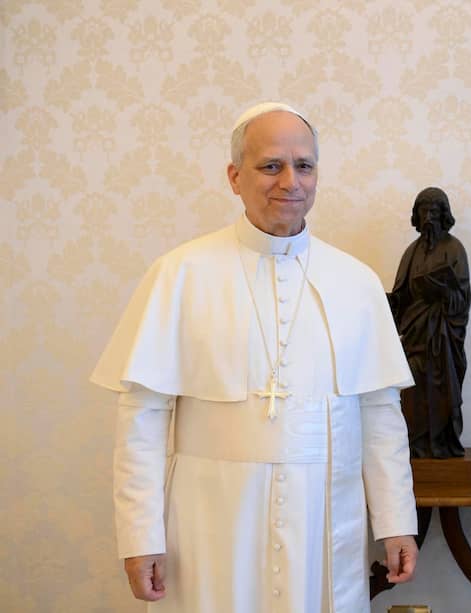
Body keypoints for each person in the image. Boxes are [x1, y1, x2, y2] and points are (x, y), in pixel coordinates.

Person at [91, 102, 418, 612]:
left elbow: (380, 414)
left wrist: (397, 521)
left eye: (304, 166)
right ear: (234, 176)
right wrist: (140, 536)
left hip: (323, 518)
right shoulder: (179, 274)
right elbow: (143, 418)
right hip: (211, 524)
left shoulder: (356, 282)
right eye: (271, 165)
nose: (290, 181)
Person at [389, 187, 471, 459]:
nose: (429, 217)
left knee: (442, 392)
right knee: (412, 393)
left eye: (435, 211)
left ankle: (442, 444)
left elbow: (462, 297)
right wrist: (388, 303)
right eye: (424, 211)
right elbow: (401, 295)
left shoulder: (454, 249)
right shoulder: (410, 252)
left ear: (444, 214)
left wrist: (444, 292)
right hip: (415, 337)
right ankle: (418, 445)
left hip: (443, 338)